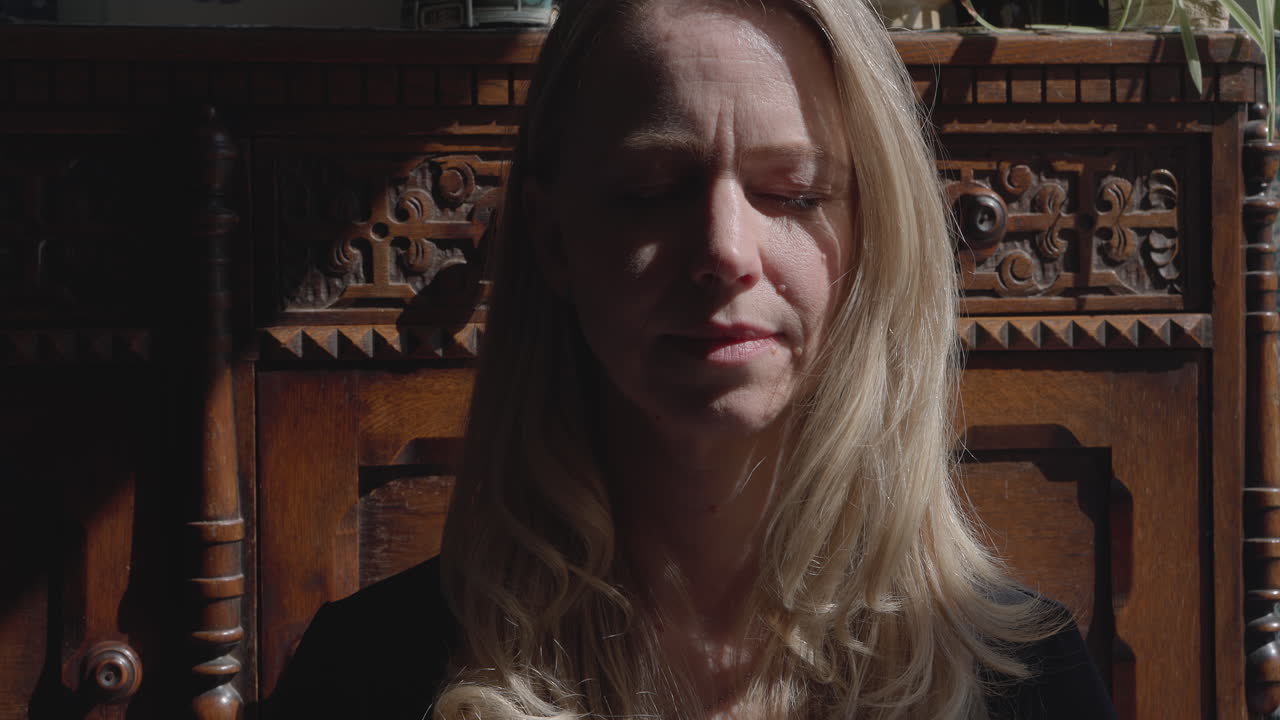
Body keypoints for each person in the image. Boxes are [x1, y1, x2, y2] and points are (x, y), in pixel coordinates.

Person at [270, 0, 1117, 718]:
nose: (723, 248)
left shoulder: (1026, 680)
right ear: (552, 237)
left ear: (869, 236)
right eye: (651, 190)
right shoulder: (366, 677)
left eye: (792, 192)